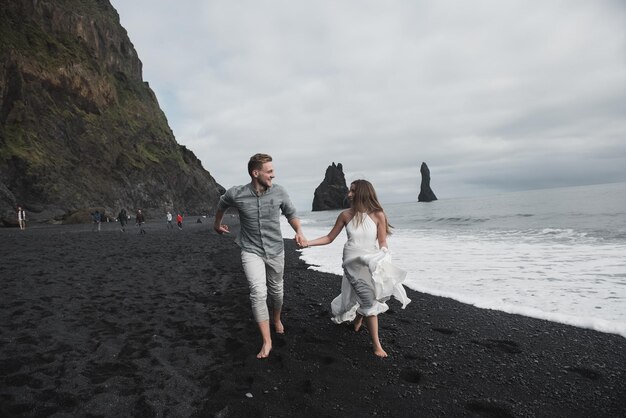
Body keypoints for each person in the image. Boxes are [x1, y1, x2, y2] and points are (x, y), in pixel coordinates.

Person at [301, 179, 411, 358]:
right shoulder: (345, 215)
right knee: (369, 299)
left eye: (353, 191)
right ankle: (377, 345)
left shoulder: (378, 215)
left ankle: (359, 317)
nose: (349, 194)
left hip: (370, 261)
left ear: (363, 193)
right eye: (349, 190)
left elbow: (382, 241)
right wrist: (308, 243)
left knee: (371, 294)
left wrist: (383, 254)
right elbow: (329, 238)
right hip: (351, 262)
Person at [214, 153, 307, 359]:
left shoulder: (279, 192)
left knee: (277, 292)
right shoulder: (236, 193)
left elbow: (291, 214)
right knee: (258, 292)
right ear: (256, 173)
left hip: (275, 249)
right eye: (269, 171)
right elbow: (222, 204)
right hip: (250, 249)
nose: (273, 175)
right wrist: (216, 225)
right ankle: (267, 341)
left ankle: (276, 318)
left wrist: (298, 231)